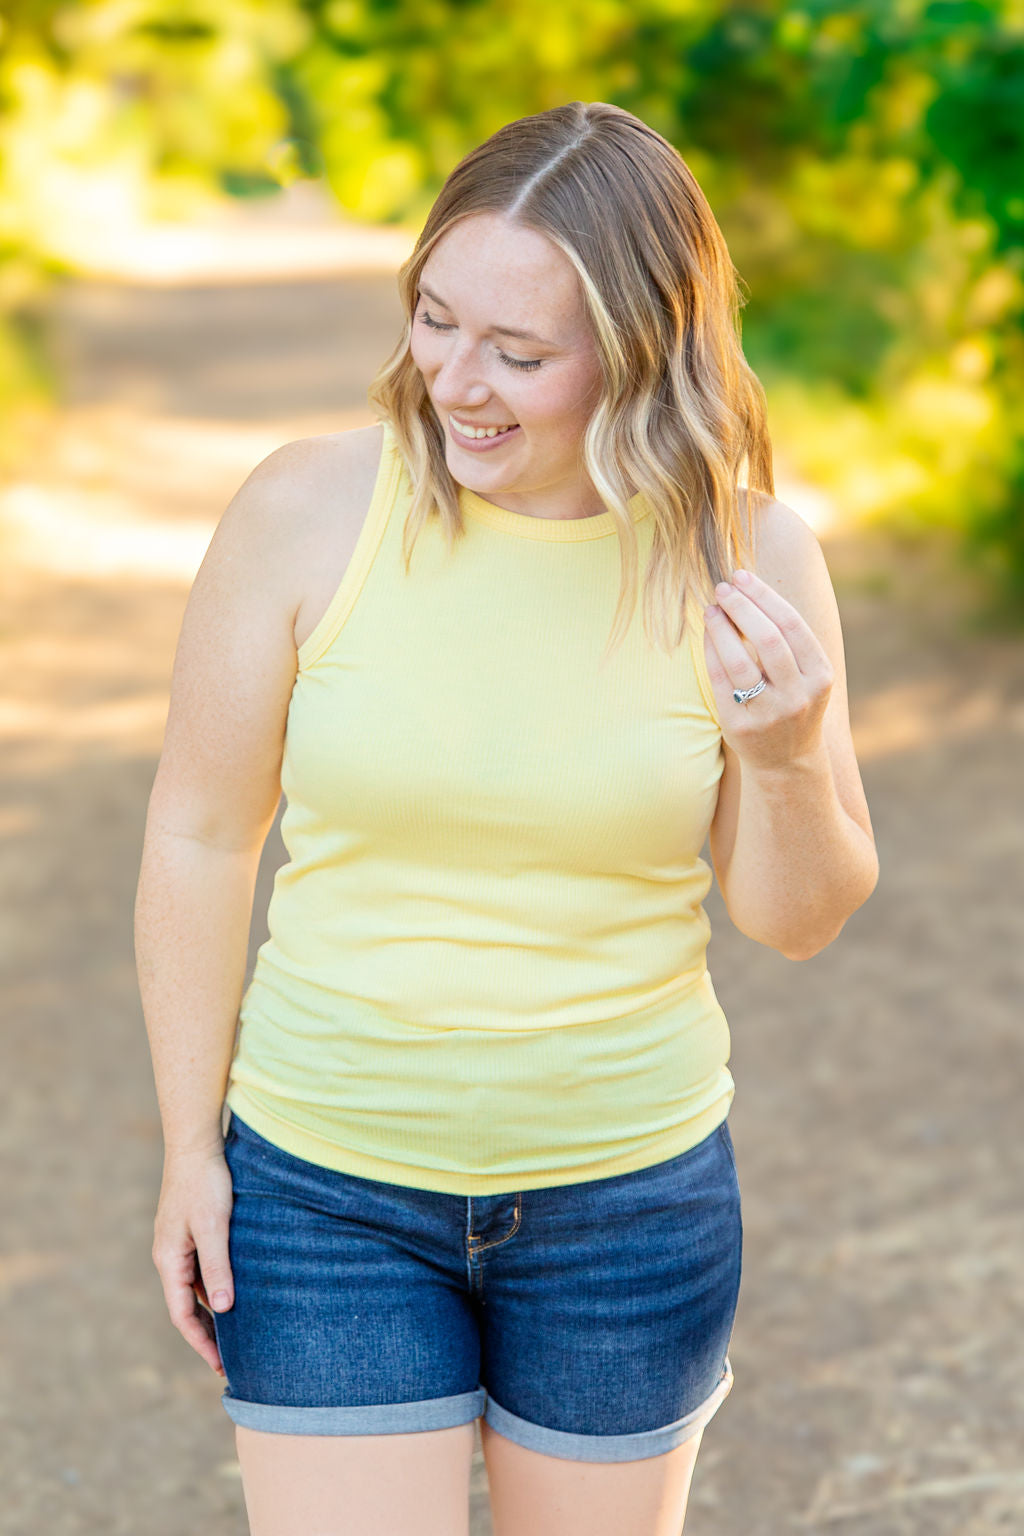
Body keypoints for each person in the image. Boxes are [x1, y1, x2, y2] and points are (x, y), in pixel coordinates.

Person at [134, 100, 879, 1536]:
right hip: (327, 1189)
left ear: (643, 348)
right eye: (434, 320)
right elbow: (199, 835)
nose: (454, 383)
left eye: (520, 354)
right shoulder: (307, 512)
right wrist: (186, 1147)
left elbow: (800, 918)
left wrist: (784, 755)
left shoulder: (748, 553)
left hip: (628, 1207)